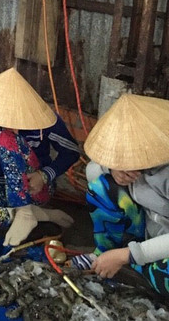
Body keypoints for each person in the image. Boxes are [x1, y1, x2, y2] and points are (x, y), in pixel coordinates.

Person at [0, 68, 79, 250]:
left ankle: (26, 211)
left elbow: (71, 151)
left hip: (34, 187)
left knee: (6, 139)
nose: (13, 125)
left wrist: (45, 175)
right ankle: (36, 215)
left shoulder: (43, 118)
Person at [72, 94, 169, 296]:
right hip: (148, 230)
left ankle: (130, 265)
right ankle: (107, 255)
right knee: (102, 188)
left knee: (163, 276)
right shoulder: (134, 165)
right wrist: (113, 170)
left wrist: (130, 255)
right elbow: (92, 172)